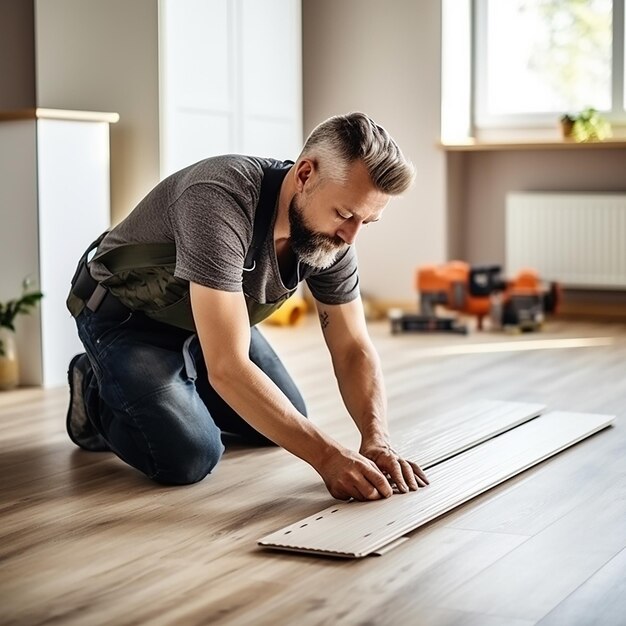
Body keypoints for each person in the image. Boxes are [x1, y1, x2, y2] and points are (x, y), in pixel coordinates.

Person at [65, 112, 429, 501]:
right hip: (128, 318)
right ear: (305, 174)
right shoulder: (218, 198)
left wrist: (376, 439)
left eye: (366, 222)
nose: (350, 236)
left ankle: (177, 389)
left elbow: (353, 347)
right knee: (190, 456)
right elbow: (228, 366)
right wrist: (328, 457)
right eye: (344, 214)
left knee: (280, 420)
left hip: (210, 322)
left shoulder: (332, 240)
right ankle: (94, 385)